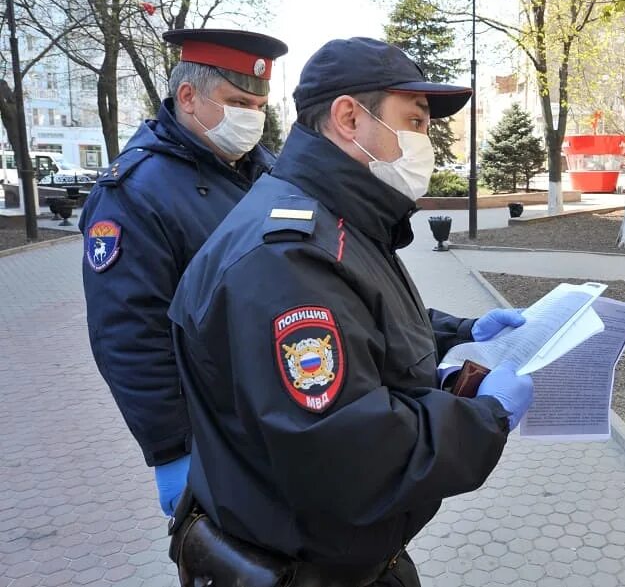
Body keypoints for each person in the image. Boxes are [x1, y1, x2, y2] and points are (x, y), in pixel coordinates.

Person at [166, 37, 534, 586]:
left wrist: (459, 335)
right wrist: (485, 418)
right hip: (305, 569)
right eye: (414, 121)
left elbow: (362, 320)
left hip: (341, 558)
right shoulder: (288, 256)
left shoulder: (332, 220)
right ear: (348, 118)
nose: (424, 141)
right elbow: (347, 450)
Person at [79, 29, 288, 517]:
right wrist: (172, 448)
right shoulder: (133, 193)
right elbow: (128, 334)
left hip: (283, 410)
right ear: (188, 96)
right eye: (238, 102)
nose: (251, 119)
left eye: (258, 106)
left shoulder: (267, 174)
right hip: (212, 433)